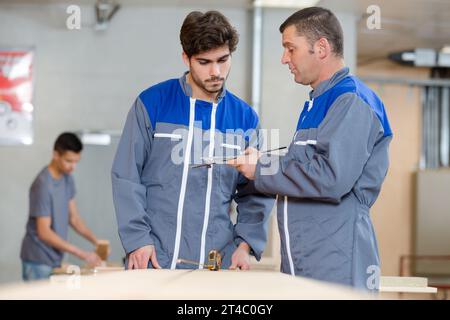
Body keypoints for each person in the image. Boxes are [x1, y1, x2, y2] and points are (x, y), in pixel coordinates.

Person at [228, 7, 392, 290]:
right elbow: (305, 167)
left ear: (321, 48)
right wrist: (263, 161)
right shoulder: (318, 103)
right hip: (306, 259)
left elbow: (331, 177)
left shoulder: (351, 101)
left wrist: (262, 168)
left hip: (336, 263)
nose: (284, 59)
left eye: (290, 49)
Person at [111, 11, 274, 271]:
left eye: (223, 60)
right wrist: (137, 240)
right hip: (153, 259)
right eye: (204, 62)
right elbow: (126, 177)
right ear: (186, 58)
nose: (216, 72)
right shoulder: (152, 104)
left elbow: (255, 193)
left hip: (217, 263)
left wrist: (244, 245)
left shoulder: (245, 119)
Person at [20, 132, 102, 281]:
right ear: (56, 155)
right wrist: (83, 254)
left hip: (55, 258)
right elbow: (44, 232)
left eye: (76, 161)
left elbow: (74, 218)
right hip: (37, 259)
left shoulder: (67, 179)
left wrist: (96, 241)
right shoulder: (43, 184)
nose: (73, 167)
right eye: (69, 161)